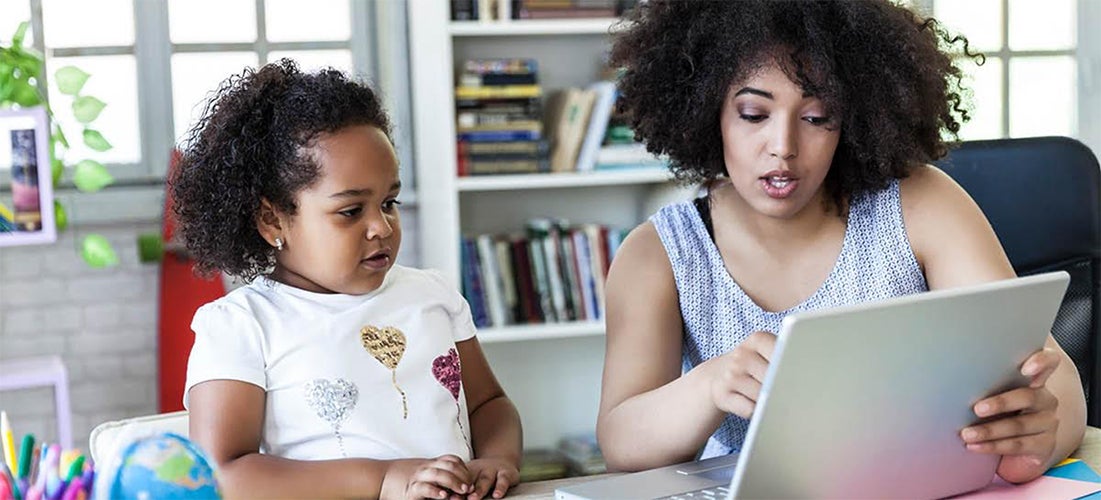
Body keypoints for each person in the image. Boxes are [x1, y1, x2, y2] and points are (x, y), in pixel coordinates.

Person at [597, 0, 1086, 484]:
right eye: (752, 114)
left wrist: (1043, 434)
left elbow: (1053, 374)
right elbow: (620, 444)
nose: (783, 145)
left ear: (851, 120)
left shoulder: (922, 207)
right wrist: (708, 386)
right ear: (707, 111)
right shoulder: (660, 254)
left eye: (816, 118)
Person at [173, 60, 521, 500]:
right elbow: (223, 472)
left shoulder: (432, 295)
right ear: (272, 219)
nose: (382, 227)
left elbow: (489, 405)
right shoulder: (241, 326)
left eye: (389, 202)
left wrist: (498, 459)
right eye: (351, 211)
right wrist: (385, 479)